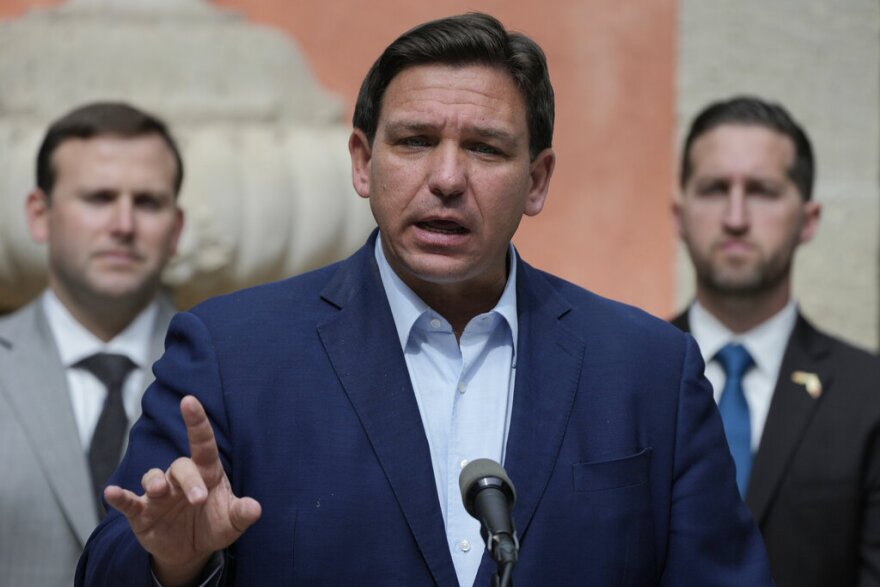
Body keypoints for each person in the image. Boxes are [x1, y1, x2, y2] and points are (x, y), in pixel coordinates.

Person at [76, 14, 772, 586]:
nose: (446, 177)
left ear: (537, 181)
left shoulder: (648, 368)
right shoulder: (233, 351)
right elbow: (107, 567)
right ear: (361, 162)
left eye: (486, 149)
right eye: (413, 141)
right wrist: (176, 561)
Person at [671, 95, 880, 586]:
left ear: (808, 220)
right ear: (679, 216)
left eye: (763, 190)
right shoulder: (621, 376)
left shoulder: (869, 396)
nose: (736, 216)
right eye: (715, 188)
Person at [0, 102, 185, 587]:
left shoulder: (234, 369)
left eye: (147, 202)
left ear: (176, 230)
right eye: (99, 198)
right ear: (40, 215)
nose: (123, 224)